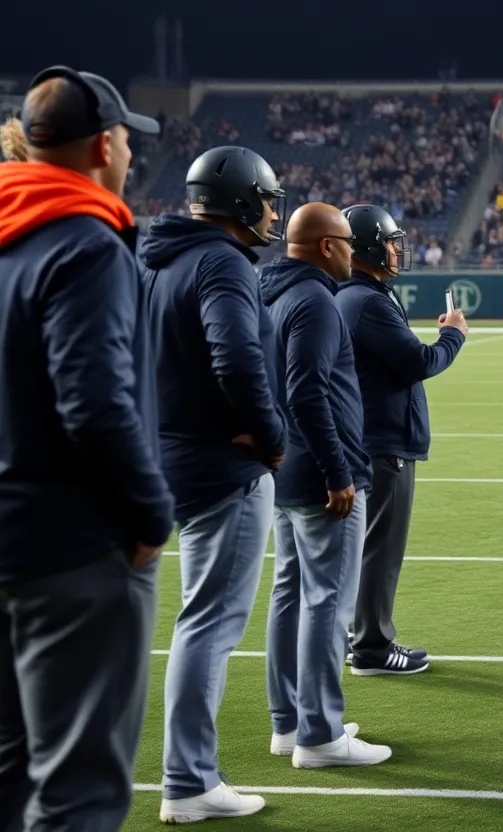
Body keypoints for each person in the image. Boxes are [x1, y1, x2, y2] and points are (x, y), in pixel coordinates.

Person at [0, 66, 172, 832]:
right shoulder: (87, 245)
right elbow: (96, 405)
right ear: (104, 143)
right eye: (128, 138)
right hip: (68, 550)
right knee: (80, 792)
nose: (132, 151)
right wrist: (151, 513)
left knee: (9, 767)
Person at [141, 145, 288, 823]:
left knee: (189, 621)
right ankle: (189, 779)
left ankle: (184, 774)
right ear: (240, 200)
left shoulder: (159, 261)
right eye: (266, 199)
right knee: (208, 624)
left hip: (166, 456)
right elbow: (235, 356)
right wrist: (272, 438)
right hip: (220, 466)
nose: (272, 212)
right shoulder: (222, 262)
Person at [261, 203, 389, 768]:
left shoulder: (269, 293)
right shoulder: (314, 300)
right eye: (345, 240)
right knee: (327, 603)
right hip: (320, 476)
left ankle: (289, 723)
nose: (353, 250)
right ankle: (319, 734)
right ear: (326, 247)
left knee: (289, 595)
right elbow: (308, 392)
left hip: (284, 470)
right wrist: (339, 472)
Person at [336, 204, 467, 676]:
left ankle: (361, 638)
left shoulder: (355, 295)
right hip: (382, 442)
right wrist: (452, 336)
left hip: (368, 436)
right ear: (369, 245)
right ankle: (370, 645)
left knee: (369, 547)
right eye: (391, 241)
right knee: (381, 549)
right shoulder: (368, 301)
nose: (397, 249)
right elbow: (418, 363)